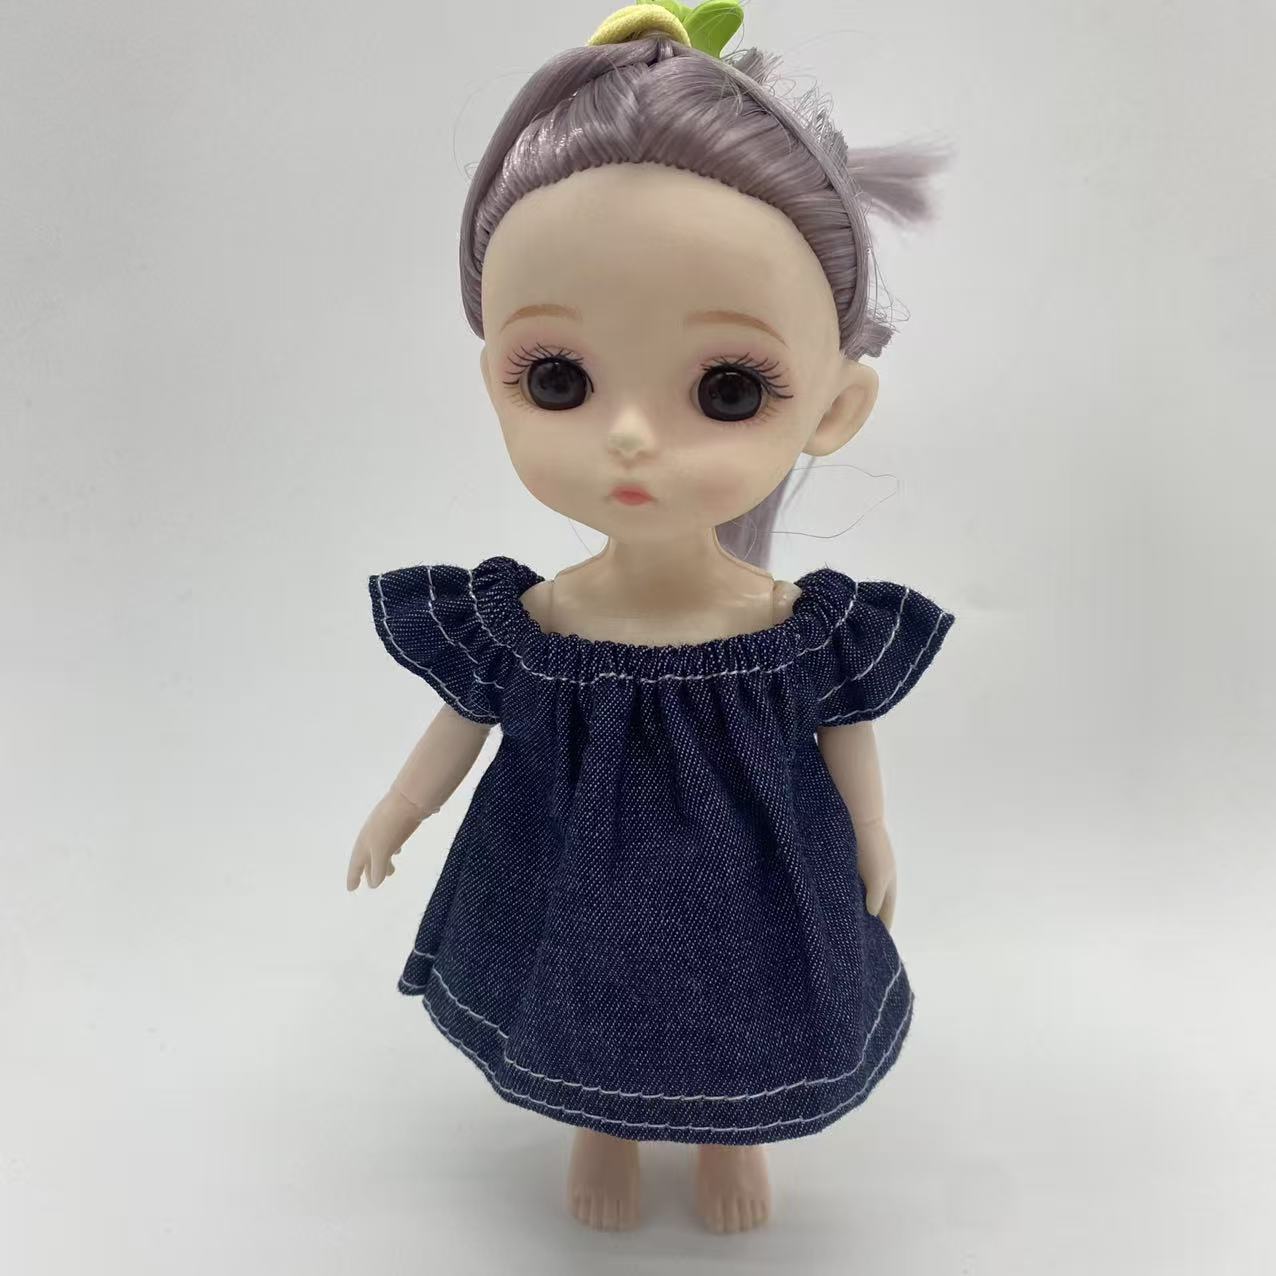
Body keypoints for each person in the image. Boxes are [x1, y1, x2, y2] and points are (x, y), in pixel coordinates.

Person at [348, 1, 955, 1235]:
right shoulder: (536, 619)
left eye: (726, 389)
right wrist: (401, 807)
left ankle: (733, 1128)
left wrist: (871, 832)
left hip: (755, 866)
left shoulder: (793, 625)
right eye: (557, 378)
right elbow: (463, 718)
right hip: (569, 862)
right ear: (494, 379)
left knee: (746, 991)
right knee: (587, 986)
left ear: (832, 410)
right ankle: (604, 1119)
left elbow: (843, 728)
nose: (628, 436)